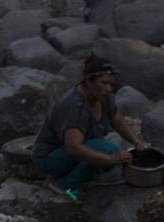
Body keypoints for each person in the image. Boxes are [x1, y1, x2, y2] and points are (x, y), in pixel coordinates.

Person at [30, 56, 147, 199]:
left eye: (112, 84)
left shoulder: (103, 96)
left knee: (110, 151)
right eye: (104, 83)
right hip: (49, 158)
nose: (109, 88)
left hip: (72, 150)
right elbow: (73, 148)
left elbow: (117, 120)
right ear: (88, 81)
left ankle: (80, 173)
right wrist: (111, 159)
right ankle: (63, 185)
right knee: (104, 150)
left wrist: (136, 141)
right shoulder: (75, 107)